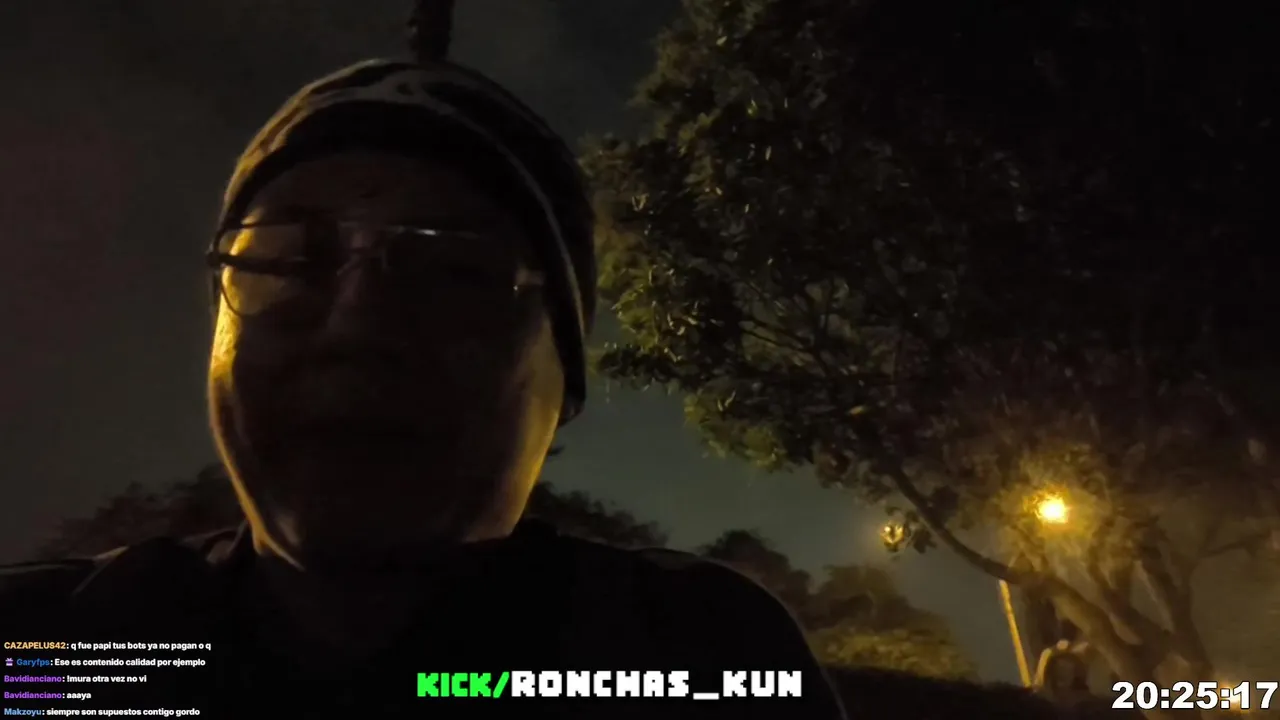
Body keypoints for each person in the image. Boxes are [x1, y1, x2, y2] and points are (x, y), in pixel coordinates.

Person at [0, 8, 845, 720]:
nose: (356, 324)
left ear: (567, 381)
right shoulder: (45, 655)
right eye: (285, 262)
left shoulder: (698, 661)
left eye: (458, 274)